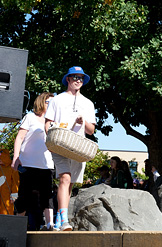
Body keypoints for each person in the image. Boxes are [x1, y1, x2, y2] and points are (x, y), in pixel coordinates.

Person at [45, 66, 96, 231]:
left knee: (70, 184)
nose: (78, 80)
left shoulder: (87, 103)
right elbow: (47, 124)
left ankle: (60, 218)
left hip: (77, 147)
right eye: (75, 77)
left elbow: (91, 130)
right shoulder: (56, 100)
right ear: (68, 79)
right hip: (60, 144)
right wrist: (50, 139)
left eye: (81, 78)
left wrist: (84, 122)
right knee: (64, 179)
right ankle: (65, 220)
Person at [11, 92, 55, 230]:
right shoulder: (30, 117)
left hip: (47, 164)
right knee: (25, 196)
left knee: (47, 196)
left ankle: (50, 225)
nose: (51, 105)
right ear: (42, 102)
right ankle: (17, 226)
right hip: (28, 163)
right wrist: (15, 157)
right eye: (49, 102)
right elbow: (19, 138)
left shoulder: (54, 122)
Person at [0, 149, 19, 215]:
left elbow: (15, 182)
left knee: (6, 212)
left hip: (7, 196)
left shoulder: (12, 168)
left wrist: (14, 194)